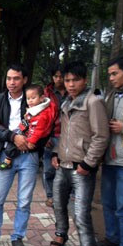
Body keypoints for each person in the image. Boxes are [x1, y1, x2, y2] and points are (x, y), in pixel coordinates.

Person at [50, 61, 109, 246]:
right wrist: (56, 153)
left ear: (84, 80)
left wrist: (88, 163)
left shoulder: (93, 102)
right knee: (58, 204)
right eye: (67, 80)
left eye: (75, 80)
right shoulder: (66, 102)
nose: (71, 84)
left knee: (82, 216)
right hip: (62, 166)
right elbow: (65, 135)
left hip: (82, 170)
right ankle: (60, 234)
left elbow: (101, 136)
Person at [0, 64, 39, 246]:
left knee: (24, 202)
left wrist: (32, 142)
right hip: (5, 154)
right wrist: (13, 137)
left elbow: (44, 123)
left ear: (25, 80)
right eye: (9, 78)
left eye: (16, 79)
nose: (12, 83)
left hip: (28, 156)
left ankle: (17, 237)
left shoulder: (33, 101)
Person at [98, 55, 123, 246]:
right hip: (110, 160)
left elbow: (121, 127)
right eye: (109, 74)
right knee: (109, 203)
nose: (111, 78)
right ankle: (112, 239)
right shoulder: (112, 95)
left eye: (115, 73)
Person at [0, 84, 56, 170]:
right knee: (13, 140)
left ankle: (7, 161)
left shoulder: (41, 114)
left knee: (12, 146)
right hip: (26, 130)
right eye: (28, 98)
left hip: (32, 136)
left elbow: (37, 130)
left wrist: (31, 141)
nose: (30, 101)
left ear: (42, 98)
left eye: (33, 98)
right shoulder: (37, 109)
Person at [42, 66, 67, 207]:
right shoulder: (46, 94)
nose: (59, 79)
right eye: (56, 76)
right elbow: (41, 117)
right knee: (49, 168)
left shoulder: (72, 91)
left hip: (69, 135)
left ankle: (71, 195)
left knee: (69, 168)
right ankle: (50, 195)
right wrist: (45, 137)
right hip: (52, 135)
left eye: (61, 76)